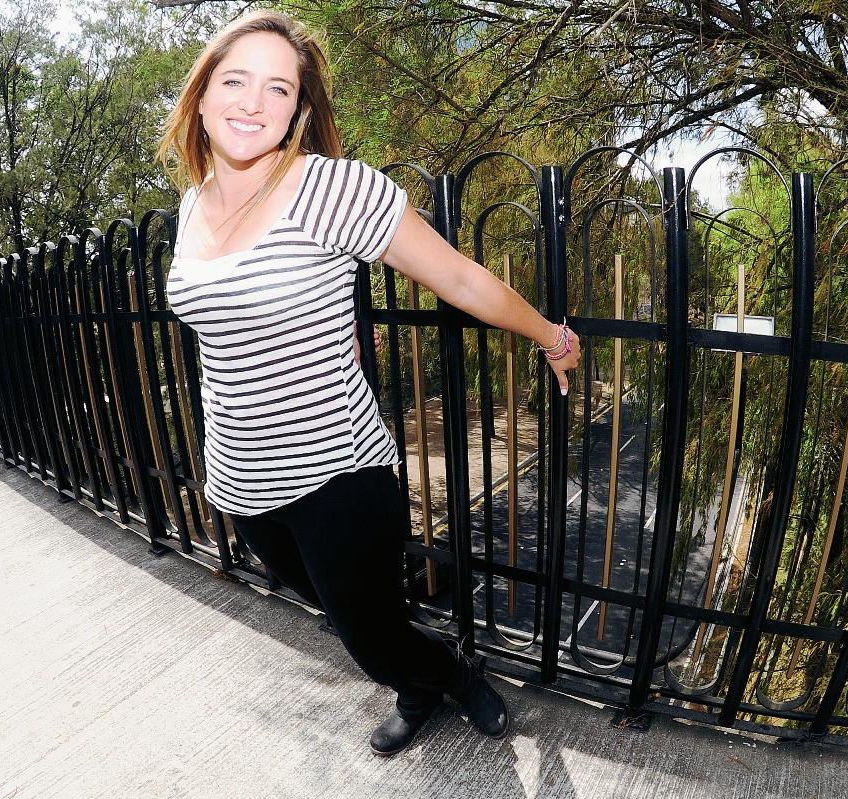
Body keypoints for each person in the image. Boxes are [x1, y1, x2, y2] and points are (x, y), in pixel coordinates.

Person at [157, 10, 579, 757]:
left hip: (334, 475)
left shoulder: (330, 189)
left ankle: (442, 676)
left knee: (369, 641)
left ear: (300, 111)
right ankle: (422, 667)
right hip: (240, 480)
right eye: (235, 80)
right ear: (200, 96)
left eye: (278, 88)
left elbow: (456, 276)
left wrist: (551, 336)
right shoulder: (192, 206)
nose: (253, 102)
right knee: (346, 610)